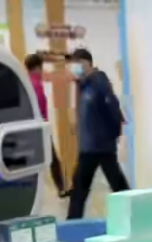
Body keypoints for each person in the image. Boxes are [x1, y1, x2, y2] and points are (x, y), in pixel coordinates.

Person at [67, 48, 129, 219]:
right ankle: (72, 223)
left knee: (114, 185)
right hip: (89, 146)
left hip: (100, 145)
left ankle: (72, 222)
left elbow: (113, 109)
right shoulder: (83, 84)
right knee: (82, 187)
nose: (74, 68)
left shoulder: (99, 82)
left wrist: (113, 135)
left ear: (86, 63)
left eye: (77, 63)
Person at [24, 52, 67, 198]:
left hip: (34, 128)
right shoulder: (35, 84)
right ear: (37, 68)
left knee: (45, 161)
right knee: (51, 160)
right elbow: (39, 107)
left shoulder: (29, 83)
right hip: (40, 128)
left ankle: (59, 188)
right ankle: (60, 188)